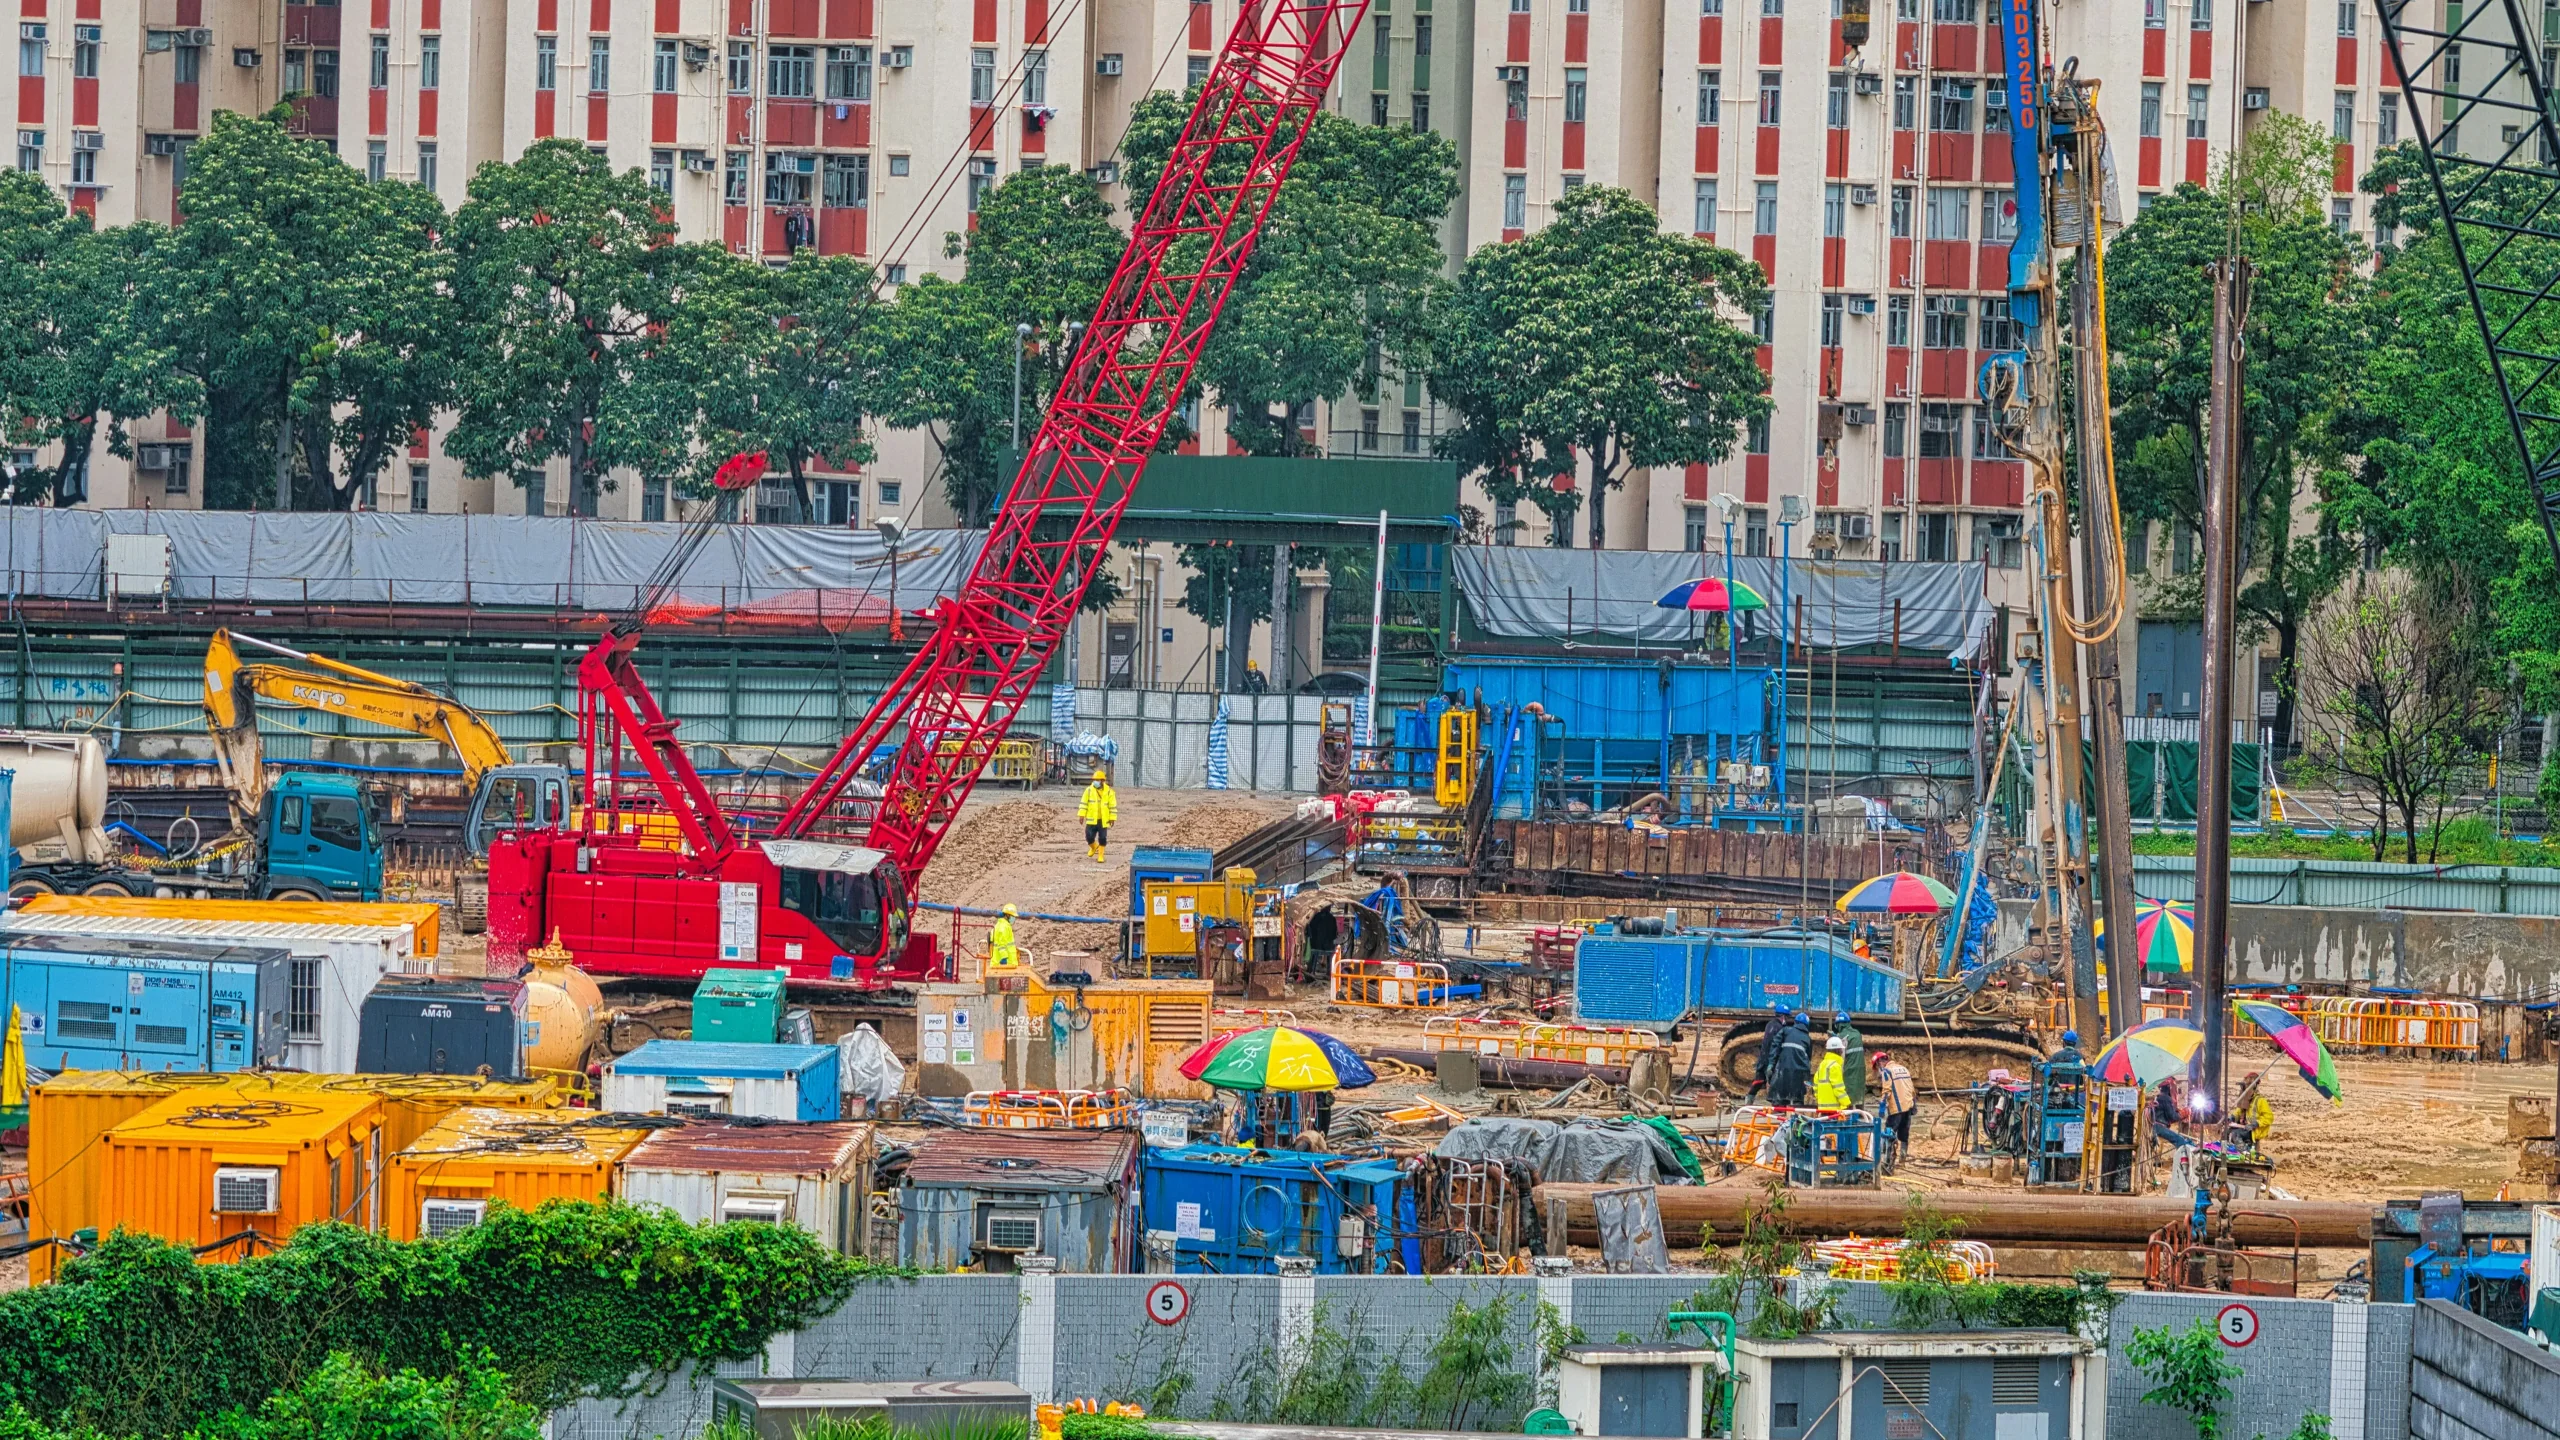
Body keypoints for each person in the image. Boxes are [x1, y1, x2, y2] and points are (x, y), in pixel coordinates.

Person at [1871, 1049, 1918, 1165]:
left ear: (1879, 1063)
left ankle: (1888, 1162)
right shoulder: (1903, 1069)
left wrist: (1882, 1106)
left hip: (1896, 1109)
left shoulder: (1887, 1071)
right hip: (1908, 1106)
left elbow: (1887, 1091)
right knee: (1904, 1134)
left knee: (1889, 1134)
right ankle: (1902, 1160)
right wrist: (1914, 1103)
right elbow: (1911, 1088)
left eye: (1877, 1068)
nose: (1878, 1071)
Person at [1766, 1012, 1814, 1107]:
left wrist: (1771, 1064)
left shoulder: (1786, 1030)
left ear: (1795, 1022)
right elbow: (1808, 1058)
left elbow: (1775, 1047)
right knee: (1797, 1102)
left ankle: (1779, 1107)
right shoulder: (1808, 1039)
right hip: (1800, 1073)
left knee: (1779, 1100)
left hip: (1783, 1070)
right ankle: (1797, 1105)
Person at [1750, 1002, 1789, 1098]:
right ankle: (1774, 1102)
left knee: (1759, 1080)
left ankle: (1749, 1099)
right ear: (1783, 1016)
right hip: (1771, 1058)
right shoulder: (1780, 1028)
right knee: (1774, 1081)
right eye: (1787, 1017)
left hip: (1763, 1057)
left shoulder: (1770, 1024)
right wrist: (1772, 1063)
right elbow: (1775, 1046)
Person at [1078, 768, 1118, 862]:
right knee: (1089, 836)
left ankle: (1100, 855)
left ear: (1102, 781)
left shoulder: (1109, 792)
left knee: (1102, 838)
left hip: (1103, 820)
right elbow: (1084, 803)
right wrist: (1081, 815)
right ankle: (1094, 847)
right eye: (1094, 780)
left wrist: (1112, 818)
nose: (1095, 782)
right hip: (1092, 818)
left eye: (1097, 780)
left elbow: (1112, 806)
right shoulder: (1088, 790)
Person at [2231, 1071, 2274, 1150]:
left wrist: (2256, 1124)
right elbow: (2239, 1111)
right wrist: (2232, 1118)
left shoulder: (2260, 1101)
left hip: (2254, 1131)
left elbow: (2269, 1117)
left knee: (2236, 1135)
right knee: (2228, 1131)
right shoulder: (2245, 1100)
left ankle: (2245, 1153)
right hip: (2245, 1127)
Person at [1833, 1011, 1867, 1107]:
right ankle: (1860, 1111)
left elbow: (1840, 1056)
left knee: (1848, 1094)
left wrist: (1834, 1038)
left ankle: (1849, 1110)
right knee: (1858, 1092)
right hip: (1860, 1069)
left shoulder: (1841, 1036)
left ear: (1838, 1025)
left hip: (1849, 1070)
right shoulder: (1857, 1033)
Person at [1813, 1035, 1850, 1108]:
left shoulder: (1822, 1064)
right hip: (1833, 1109)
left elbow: (1815, 1086)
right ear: (1838, 1050)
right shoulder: (1835, 1066)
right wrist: (1846, 1102)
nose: (1842, 1051)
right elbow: (1838, 1088)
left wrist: (1819, 1100)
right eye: (1841, 1049)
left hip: (1822, 1108)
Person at [988, 903, 1021, 973]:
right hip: (1004, 964)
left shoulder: (1002, 925)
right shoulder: (1003, 927)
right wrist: (1004, 958)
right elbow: (1001, 944)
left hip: (1004, 963)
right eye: (1013, 916)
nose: (1014, 918)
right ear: (1008, 915)